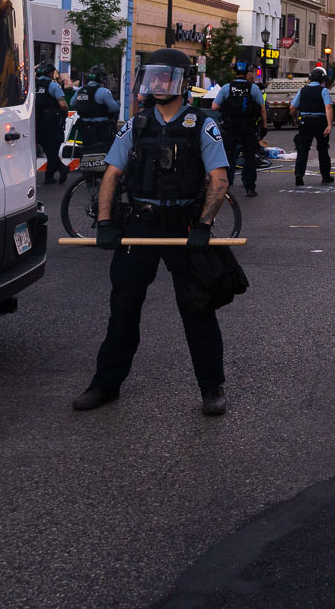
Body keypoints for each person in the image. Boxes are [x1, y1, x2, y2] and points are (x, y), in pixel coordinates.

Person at [72, 48, 232, 416]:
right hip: (141, 224)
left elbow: (219, 179)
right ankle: (105, 385)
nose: (159, 83)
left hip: (183, 226)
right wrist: (107, 222)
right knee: (123, 309)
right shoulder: (136, 124)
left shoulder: (202, 125)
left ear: (182, 82)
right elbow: (111, 175)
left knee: (198, 308)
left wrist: (204, 225)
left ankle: (212, 387)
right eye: (154, 76)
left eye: (166, 77)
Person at [212, 61, 266, 197]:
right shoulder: (253, 88)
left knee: (229, 156)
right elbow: (262, 109)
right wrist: (264, 126)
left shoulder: (226, 88)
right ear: (247, 72)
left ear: (234, 72)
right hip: (248, 126)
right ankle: (249, 187)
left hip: (231, 126)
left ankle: (227, 184)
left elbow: (214, 106)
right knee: (249, 157)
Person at [290, 66, 333, 185]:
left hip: (305, 122)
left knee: (302, 149)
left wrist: (295, 118)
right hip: (320, 122)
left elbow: (292, 107)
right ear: (322, 79)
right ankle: (325, 176)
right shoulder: (323, 91)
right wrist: (329, 124)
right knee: (323, 149)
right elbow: (328, 107)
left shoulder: (302, 91)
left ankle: (299, 174)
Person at [70, 64, 120, 155]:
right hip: (100, 128)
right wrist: (117, 102)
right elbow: (114, 108)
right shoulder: (103, 91)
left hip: (85, 127)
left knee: (87, 149)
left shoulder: (80, 90)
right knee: (100, 151)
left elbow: (72, 103)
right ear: (101, 78)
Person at [34, 60, 69, 184]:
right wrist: (64, 113)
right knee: (52, 149)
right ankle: (60, 170)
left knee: (48, 149)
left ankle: (51, 176)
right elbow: (63, 104)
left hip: (37, 124)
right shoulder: (53, 85)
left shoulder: (32, 85)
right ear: (50, 73)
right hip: (52, 123)